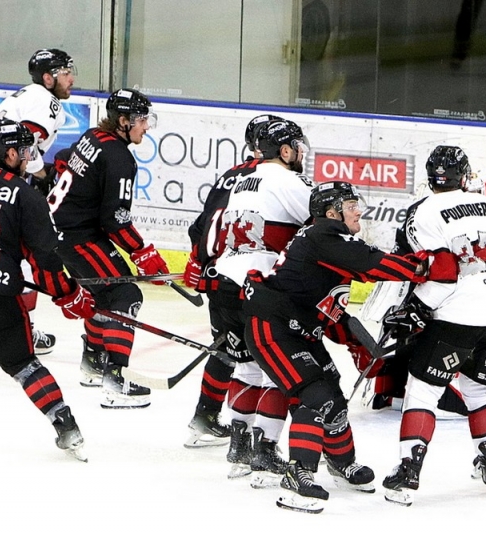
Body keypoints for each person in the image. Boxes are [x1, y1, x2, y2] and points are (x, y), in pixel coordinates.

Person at [241, 181, 433, 514]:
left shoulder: (324, 240)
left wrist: (353, 342)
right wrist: (423, 268)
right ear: (332, 213)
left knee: (335, 401)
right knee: (317, 398)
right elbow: (374, 266)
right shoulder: (324, 236)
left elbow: (328, 305)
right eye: (350, 205)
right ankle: (297, 475)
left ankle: (341, 464)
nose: (358, 209)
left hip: (299, 331)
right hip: (273, 330)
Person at [0, 118, 95, 461]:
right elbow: (44, 258)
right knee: (24, 365)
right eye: (25, 151)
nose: (29, 157)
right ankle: (67, 427)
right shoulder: (26, 195)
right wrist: (69, 294)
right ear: (10, 153)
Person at [380, 146, 486, 506]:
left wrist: (414, 308)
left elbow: (442, 273)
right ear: (465, 174)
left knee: (423, 391)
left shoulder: (423, 211)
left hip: (459, 317)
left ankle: (409, 471)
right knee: (481, 391)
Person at [184, 117, 313, 489]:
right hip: (261, 289)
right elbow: (322, 225)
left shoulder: (242, 179)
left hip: (226, 282)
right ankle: (265, 451)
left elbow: (209, 231)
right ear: (285, 151)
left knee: (245, 367)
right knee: (278, 372)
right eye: (296, 146)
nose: (301, 152)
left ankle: (239, 447)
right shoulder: (289, 181)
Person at [48, 88, 167, 409]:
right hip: (79, 236)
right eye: (142, 120)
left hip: (64, 232)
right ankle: (115, 379)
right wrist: (143, 252)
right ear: (124, 121)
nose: (147, 127)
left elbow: (62, 160)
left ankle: (93, 363)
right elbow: (115, 219)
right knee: (126, 295)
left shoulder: (92, 135)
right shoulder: (119, 157)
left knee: (104, 296)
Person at [0, 48, 76, 355]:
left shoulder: (25, 94)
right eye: (66, 73)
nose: (71, 79)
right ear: (49, 78)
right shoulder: (47, 101)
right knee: (10, 251)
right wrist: (39, 173)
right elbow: (26, 140)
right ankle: (15, 325)